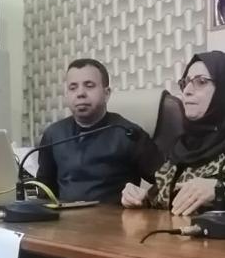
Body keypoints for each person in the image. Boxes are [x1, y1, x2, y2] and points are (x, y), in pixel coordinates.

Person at [121, 51, 225, 219]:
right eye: (185, 82)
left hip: (222, 237)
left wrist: (224, 191)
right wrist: (142, 199)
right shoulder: (184, 143)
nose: (187, 91)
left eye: (201, 82)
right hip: (175, 235)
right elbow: (164, 204)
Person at [36, 58, 163, 203]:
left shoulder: (129, 134)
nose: (80, 93)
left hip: (115, 216)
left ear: (106, 93)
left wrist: (145, 197)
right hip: (65, 215)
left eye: (89, 86)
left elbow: (167, 183)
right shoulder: (53, 134)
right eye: (73, 87)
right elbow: (45, 190)